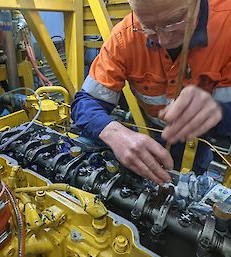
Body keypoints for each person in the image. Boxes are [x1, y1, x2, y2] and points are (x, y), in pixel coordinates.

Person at [71, 0, 231, 185]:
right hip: (150, 137)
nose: (163, 40)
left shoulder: (226, 24)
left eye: (175, 21)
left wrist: (218, 110)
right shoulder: (124, 36)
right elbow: (85, 102)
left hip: (200, 143)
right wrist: (114, 133)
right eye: (148, 27)